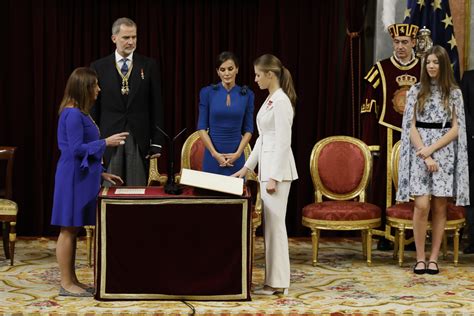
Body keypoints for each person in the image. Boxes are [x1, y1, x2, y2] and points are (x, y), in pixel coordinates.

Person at [51, 67, 128, 296]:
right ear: (84, 87)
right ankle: (66, 283)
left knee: (73, 229)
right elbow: (75, 150)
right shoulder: (73, 113)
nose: (98, 89)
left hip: (80, 175)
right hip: (72, 177)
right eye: (95, 85)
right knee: (67, 229)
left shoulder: (81, 112)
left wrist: (101, 173)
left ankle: (72, 280)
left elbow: (81, 151)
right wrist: (106, 142)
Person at [396, 45, 470, 275]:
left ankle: (434, 258)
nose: (431, 66)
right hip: (420, 153)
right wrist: (424, 153)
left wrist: (432, 150)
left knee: (439, 206)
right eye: (428, 62)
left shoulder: (454, 93)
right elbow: (410, 125)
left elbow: (457, 128)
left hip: (444, 152)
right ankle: (419, 257)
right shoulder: (416, 91)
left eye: (436, 62)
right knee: (421, 205)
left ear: (444, 65)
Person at [233, 54, 298, 295]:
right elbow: (263, 139)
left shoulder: (280, 101)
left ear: (270, 75)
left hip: (277, 173)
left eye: (259, 74)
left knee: (275, 227)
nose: (256, 79)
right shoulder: (271, 99)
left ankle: (279, 282)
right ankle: (273, 280)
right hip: (268, 169)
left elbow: (283, 141)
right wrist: (247, 167)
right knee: (270, 227)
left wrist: (274, 177)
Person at [361, 23, 421, 250]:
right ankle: (387, 234)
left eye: (405, 42)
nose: (400, 47)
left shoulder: (426, 67)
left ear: (414, 43)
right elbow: (368, 108)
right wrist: (371, 144)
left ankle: (415, 234)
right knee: (388, 182)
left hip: (420, 136)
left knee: (417, 181)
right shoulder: (380, 69)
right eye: (397, 42)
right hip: (387, 132)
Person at [91, 17, 164, 186]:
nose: (131, 42)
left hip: (139, 137)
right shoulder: (98, 67)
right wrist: (95, 143)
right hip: (109, 137)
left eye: (134, 37)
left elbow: (156, 106)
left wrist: (157, 141)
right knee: (110, 190)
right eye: (126, 37)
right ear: (114, 38)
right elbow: (94, 108)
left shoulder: (148, 65)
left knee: (136, 190)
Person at [197, 51, 254, 175]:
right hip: (212, 159)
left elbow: (249, 129)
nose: (227, 73)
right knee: (210, 194)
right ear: (218, 71)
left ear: (237, 69)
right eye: (222, 70)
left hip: (236, 159)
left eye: (230, 69)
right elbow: (201, 128)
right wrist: (215, 154)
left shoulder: (248, 95)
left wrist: (238, 154)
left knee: (236, 194)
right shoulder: (207, 93)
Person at [460, 70, 474, 254]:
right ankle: (473, 241)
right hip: (472, 144)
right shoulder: (469, 78)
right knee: (473, 195)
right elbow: (464, 112)